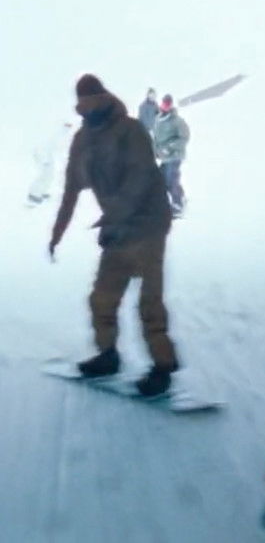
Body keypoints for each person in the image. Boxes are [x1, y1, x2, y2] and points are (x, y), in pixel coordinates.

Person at [49, 75, 179, 397]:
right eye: (83, 102)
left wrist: (113, 219)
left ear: (103, 97)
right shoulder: (82, 140)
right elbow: (70, 189)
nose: (88, 107)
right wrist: (57, 232)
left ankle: (162, 367)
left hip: (149, 222)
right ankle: (107, 356)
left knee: (149, 301)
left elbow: (140, 178)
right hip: (117, 227)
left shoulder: (130, 130)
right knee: (102, 298)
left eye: (93, 99)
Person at [153, 94, 190, 217]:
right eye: (164, 104)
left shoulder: (177, 121)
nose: (165, 106)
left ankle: (178, 204)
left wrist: (170, 148)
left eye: (168, 104)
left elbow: (184, 137)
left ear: (171, 105)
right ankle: (180, 197)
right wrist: (154, 151)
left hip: (175, 156)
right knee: (162, 179)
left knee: (171, 179)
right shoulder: (158, 119)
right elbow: (156, 139)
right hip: (164, 157)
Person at [27, 122, 73, 205]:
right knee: (45, 176)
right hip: (43, 155)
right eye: (67, 126)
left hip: (46, 154)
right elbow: (46, 145)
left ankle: (41, 191)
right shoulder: (56, 133)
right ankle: (34, 194)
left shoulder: (59, 134)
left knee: (49, 176)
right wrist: (44, 159)